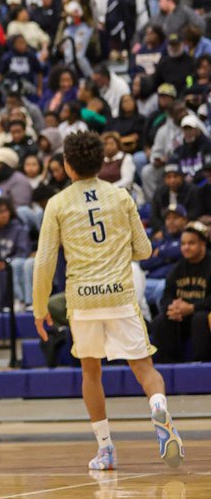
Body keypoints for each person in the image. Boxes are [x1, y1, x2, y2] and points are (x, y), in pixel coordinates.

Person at [33, 130, 183, 471]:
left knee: (91, 371)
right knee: (145, 369)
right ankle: (158, 406)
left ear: (67, 166)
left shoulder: (57, 203)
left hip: (82, 299)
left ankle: (106, 449)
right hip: (119, 293)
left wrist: (39, 309)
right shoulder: (120, 196)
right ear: (102, 162)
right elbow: (144, 250)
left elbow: (44, 262)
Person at [149, 221, 211, 362]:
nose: (186, 247)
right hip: (182, 316)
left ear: (203, 244)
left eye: (191, 243)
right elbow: (166, 296)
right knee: (160, 320)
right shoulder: (178, 268)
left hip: (202, 315)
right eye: (183, 244)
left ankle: (201, 364)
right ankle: (166, 365)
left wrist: (192, 308)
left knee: (199, 318)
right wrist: (172, 308)